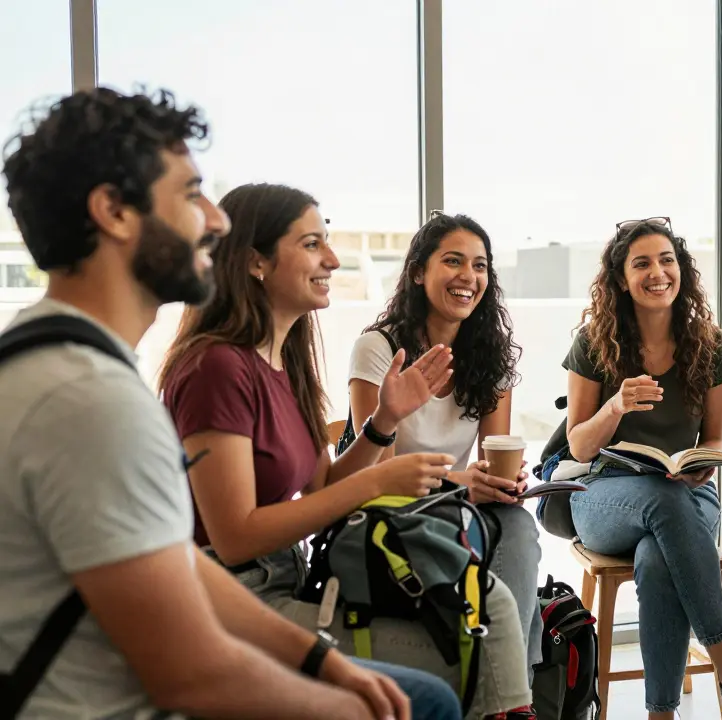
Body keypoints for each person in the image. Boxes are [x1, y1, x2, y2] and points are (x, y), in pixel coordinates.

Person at [0, 88, 458, 719]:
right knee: (425, 700)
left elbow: (178, 558)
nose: (215, 220)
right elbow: (191, 674)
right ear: (113, 211)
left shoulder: (66, 365)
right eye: (191, 195)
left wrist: (314, 660)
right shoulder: (90, 400)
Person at [157, 183, 533, 719]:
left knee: (482, 612)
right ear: (255, 262)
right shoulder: (217, 369)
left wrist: (384, 421)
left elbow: (323, 488)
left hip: (291, 578)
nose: (333, 259)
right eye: (313, 245)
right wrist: (379, 480)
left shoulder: (288, 362)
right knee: (473, 643)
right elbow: (235, 538)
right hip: (234, 596)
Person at [564, 217, 722, 720]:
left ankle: (660, 715)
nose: (657, 272)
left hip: (684, 495)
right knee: (661, 504)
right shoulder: (593, 343)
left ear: (681, 270)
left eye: (667, 260)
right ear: (621, 279)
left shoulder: (708, 344)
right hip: (604, 496)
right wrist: (615, 407)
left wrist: (701, 464)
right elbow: (578, 447)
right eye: (641, 263)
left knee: (657, 561)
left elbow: (712, 437)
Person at [348, 209, 541, 671]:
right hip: (390, 508)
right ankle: (505, 682)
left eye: (479, 266)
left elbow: (493, 458)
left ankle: (505, 685)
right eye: (453, 261)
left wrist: (504, 482)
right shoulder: (379, 348)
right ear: (419, 272)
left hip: (456, 504)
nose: (468, 277)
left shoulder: (490, 355)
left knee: (517, 526)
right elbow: (378, 473)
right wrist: (463, 483)